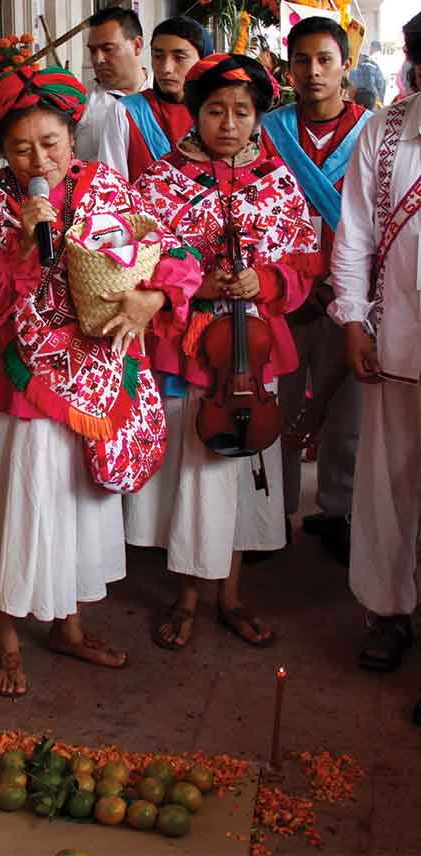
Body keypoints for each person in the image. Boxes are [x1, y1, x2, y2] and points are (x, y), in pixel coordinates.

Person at [0, 66, 200, 696]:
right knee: (17, 504)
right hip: (15, 382)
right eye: (21, 147)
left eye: (52, 143)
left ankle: (69, 625)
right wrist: (20, 246)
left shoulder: (107, 188)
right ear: (1, 151)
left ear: (73, 134)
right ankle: (6, 639)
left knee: (76, 503)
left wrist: (153, 299)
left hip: (95, 375)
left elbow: (171, 254)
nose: (40, 158)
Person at [125, 54, 319, 650]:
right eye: (215, 110)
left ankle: (229, 595)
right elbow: (133, 258)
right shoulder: (159, 181)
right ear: (196, 111)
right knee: (192, 467)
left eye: (241, 112)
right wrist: (195, 285)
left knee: (237, 469)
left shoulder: (279, 180)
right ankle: (186, 594)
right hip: (187, 346)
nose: (228, 123)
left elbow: (306, 256)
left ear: (258, 116)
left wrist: (269, 281)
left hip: (251, 351)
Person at [328, 12, 421, 692]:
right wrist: (354, 321)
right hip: (395, 340)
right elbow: (355, 233)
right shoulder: (384, 132)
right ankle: (388, 613)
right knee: (389, 485)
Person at [261, 16, 371, 564]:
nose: (313, 72)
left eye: (325, 59)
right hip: (281, 293)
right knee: (275, 407)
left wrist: (344, 286)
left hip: (348, 294)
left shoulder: (372, 132)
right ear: (289, 67)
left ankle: (337, 510)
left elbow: (377, 217)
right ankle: (272, 514)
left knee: (347, 410)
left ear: (345, 64)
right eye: (301, 60)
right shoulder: (268, 129)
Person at [99, 17, 208, 182]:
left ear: (204, 60)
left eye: (179, 58)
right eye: (158, 56)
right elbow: (110, 189)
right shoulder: (125, 113)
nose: (166, 68)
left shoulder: (219, 115)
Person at [76, 7, 151, 162]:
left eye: (107, 49)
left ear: (137, 45)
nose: (98, 59)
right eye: (93, 51)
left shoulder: (166, 95)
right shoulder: (79, 103)